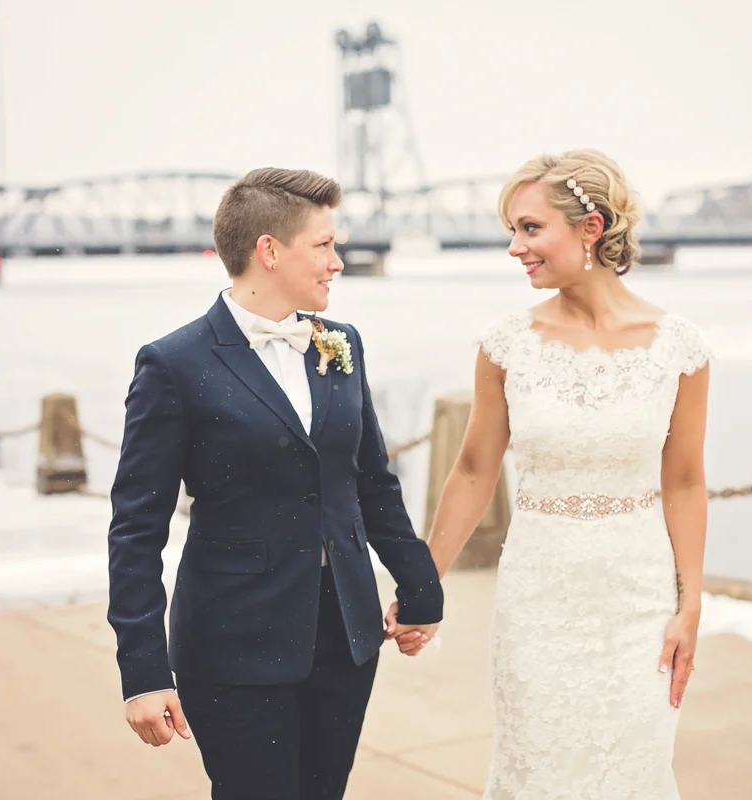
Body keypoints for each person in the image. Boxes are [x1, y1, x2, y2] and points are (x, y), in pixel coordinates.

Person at [106, 167, 442, 800]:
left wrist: (421, 586)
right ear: (269, 250)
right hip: (232, 645)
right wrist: (142, 668)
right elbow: (135, 529)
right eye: (324, 245)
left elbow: (370, 480)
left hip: (346, 636)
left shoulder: (340, 344)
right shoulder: (173, 364)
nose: (338, 262)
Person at [423, 149, 713, 798]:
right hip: (538, 599)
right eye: (511, 231)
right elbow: (472, 469)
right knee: (540, 771)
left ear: (593, 228)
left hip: (638, 599)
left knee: (633, 770)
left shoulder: (680, 348)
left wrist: (690, 602)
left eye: (530, 228)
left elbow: (686, 481)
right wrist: (424, 579)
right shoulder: (506, 345)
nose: (514, 247)